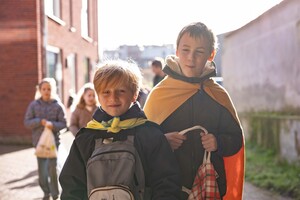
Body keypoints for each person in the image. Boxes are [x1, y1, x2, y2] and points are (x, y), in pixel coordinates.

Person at [144, 22, 245, 200]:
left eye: (199, 52)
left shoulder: (218, 96)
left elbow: (236, 139)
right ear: (176, 51)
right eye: (185, 50)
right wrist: (162, 141)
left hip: (210, 188)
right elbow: (142, 141)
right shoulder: (159, 94)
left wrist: (218, 142)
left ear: (211, 54)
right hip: (168, 190)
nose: (191, 58)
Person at [59, 60, 181, 200]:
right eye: (106, 92)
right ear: (98, 96)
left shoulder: (150, 135)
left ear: (134, 95)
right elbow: (72, 187)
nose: (113, 97)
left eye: (121, 91)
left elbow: (166, 182)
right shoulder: (85, 138)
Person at [24, 78, 67, 200]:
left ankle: (55, 194)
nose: (46, 91)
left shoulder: (58, 106)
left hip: (54, 143)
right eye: (44, 89)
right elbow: (27, 122)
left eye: (49, 89)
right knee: (42, 171)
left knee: (52, 169)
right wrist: (39, 122)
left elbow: (64, 124)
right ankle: (46, 192)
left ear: (53, 90)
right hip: (39, 143)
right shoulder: (33, 105)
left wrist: (53, 125)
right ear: (40, 90)